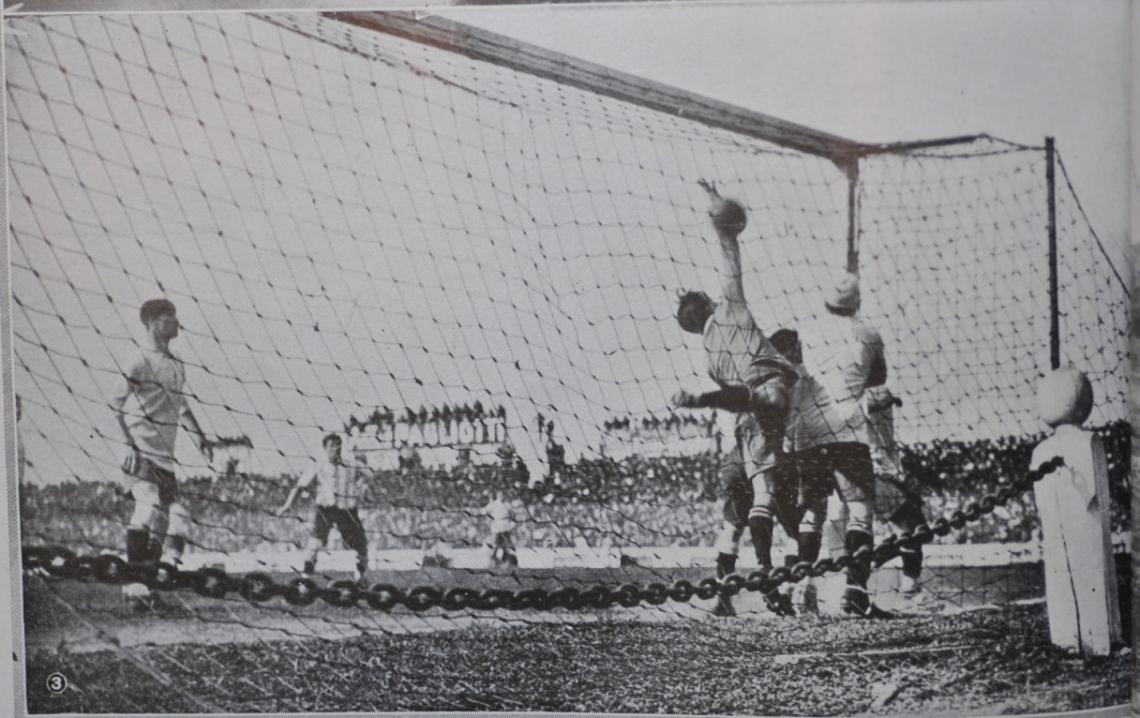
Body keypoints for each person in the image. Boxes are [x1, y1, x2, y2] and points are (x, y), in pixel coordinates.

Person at [672, 180, 798, 616]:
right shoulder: (730, 308)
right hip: (767, 407)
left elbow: (730, 396)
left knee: (733, 518)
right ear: (707, 303)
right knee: (778, 501)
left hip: (739, 433)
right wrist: (719, 215)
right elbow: (730, 257)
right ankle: (771, 581)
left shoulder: (708, 357)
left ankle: (724, 597)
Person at [785, 273, 892, 618]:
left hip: (809, 430)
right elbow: (878, 378)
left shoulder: (808, 332)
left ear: (826, 302)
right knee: (859, 509)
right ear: (857, 302)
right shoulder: (870, 335)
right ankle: (856, 591)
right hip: (848, 428)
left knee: (813, 512)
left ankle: (803, 589)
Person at [110, 298, 213, 612]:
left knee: (174, 519)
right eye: (169, 316)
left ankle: (150, 580)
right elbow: (115, 405)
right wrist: (128, 444)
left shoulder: (177, 362)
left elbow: (181, 405)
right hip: (141, 450)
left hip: (165, 457)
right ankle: (133, 583)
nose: (176, 321)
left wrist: (200, 437)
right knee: (148, 506)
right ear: (152, 322)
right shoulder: (138, 360)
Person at [864, 385, 930, 601]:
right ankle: (910, 589)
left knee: (921, 529)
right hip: (874, 472)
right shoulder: (858, 398)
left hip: (891, 470)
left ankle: (869, 564)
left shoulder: (877, 395)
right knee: (908, 527)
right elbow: (873, 403)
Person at [277, 433, 370, 583]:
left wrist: (362, 487)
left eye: (338, 444)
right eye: (332, 445)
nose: (336, 448)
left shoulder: (352, 464)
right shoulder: (318, 466)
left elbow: (371, 475)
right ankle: (306, 578)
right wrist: (288, 505)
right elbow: (300, 486)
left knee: (361, 545)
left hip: (347, 511)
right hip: (326, 510)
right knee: (315, 543)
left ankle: (360, 576)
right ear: (325, 448)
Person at [482, 489, 519, 567]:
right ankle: (492, 562)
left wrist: (512, 524)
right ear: (498, 496)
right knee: (495, 546)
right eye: (500, 495)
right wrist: (488, 518)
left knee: (507, 546)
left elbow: (514, 515)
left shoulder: (507, 505)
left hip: (506, 528)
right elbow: (484, 511)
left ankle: (506, 562)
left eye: (503, 495)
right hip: (496, 528)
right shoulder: (494, 504)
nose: (502, 497)